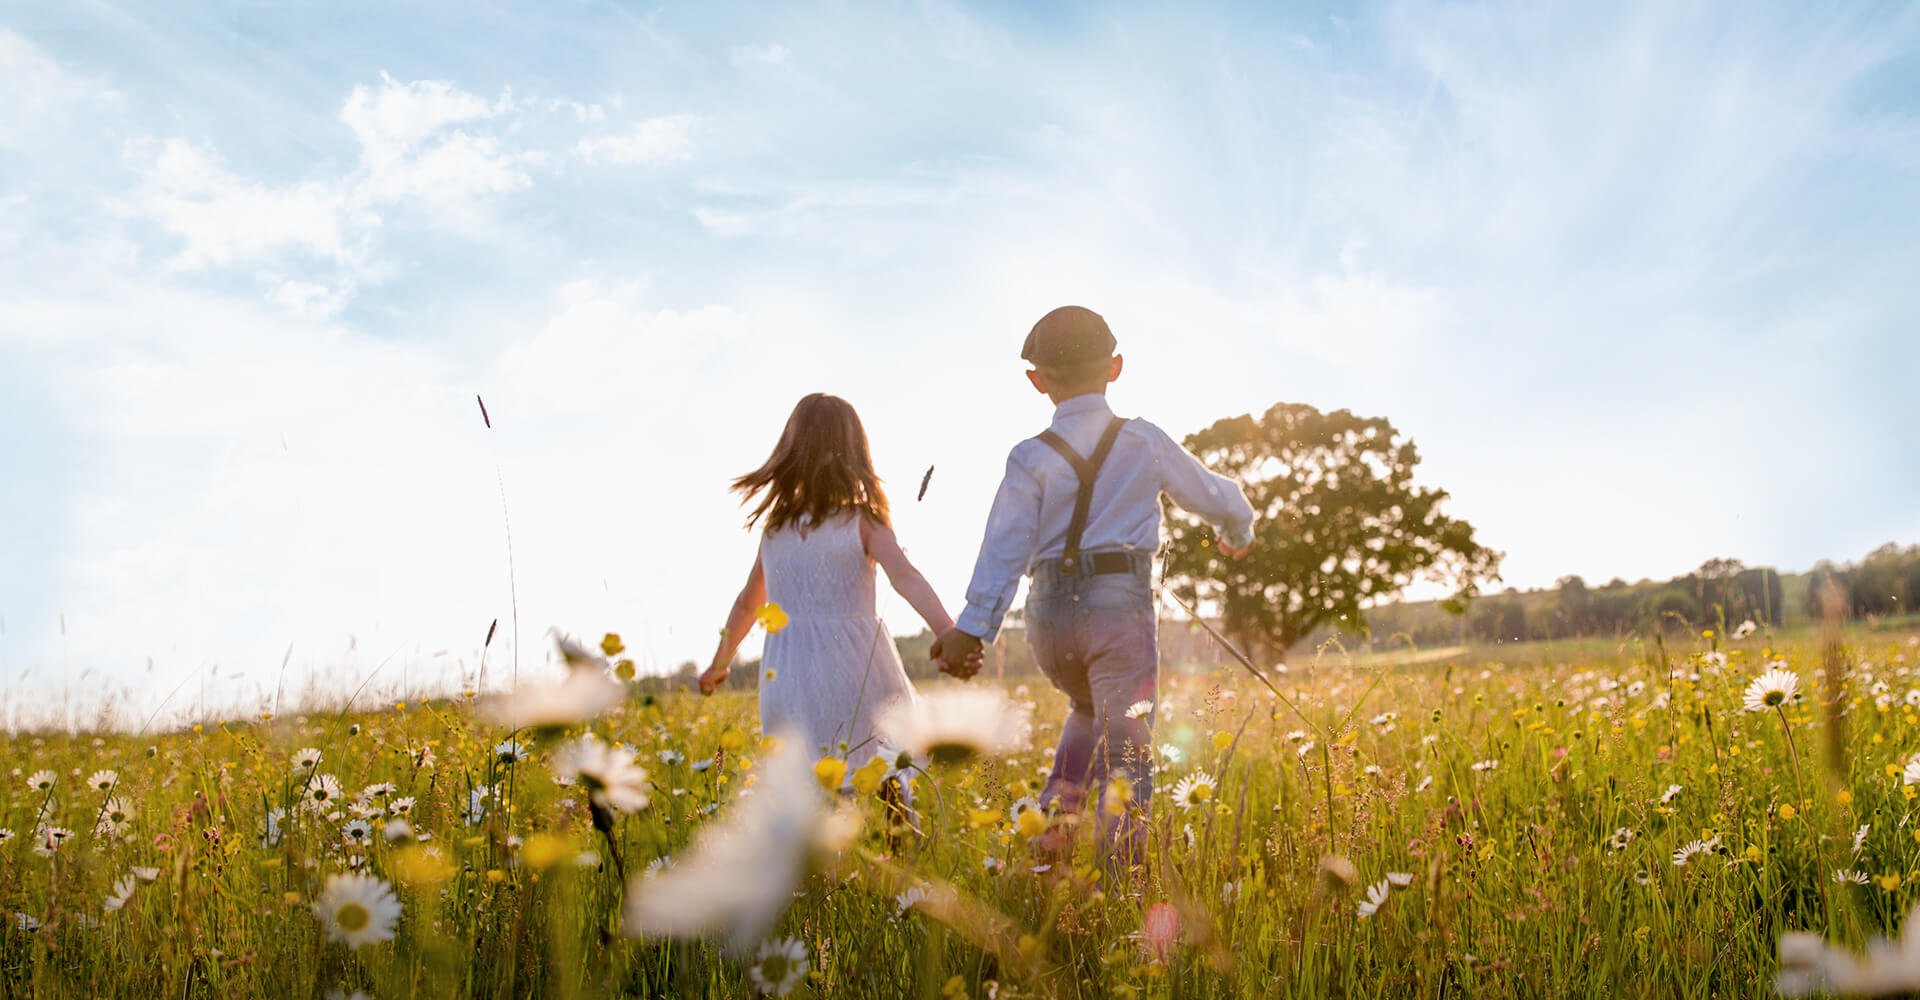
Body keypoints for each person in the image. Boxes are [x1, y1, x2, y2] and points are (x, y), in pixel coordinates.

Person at [932, 306, 1256, 859]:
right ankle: (1121, 886)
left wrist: (973, 629)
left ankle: (1048, 847)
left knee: (1085, 710)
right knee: (1129, 752)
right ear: (1116, 367)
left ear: (1037, 381)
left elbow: (1002, 548)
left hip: (1048, 619)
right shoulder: (1142, 440)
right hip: (1117, 607)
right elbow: (1213, 494)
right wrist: (1237, 527)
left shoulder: (1028, 455)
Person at [700, 393, 974, 792]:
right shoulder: (863, 520)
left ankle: (825, 851)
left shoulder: (776, 529)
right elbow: (905, 576)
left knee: (809, 785)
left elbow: (748, 603)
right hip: (857, 667)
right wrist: (946, 630)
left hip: (790, 675)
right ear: (856, 452)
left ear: (789, 452)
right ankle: (898, 839)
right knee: (884, 771)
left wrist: (718, 664)